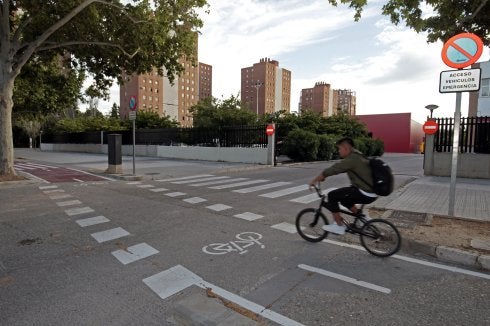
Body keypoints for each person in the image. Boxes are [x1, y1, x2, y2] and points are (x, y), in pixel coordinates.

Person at [309, 137, 377, 235]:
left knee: (332, 195)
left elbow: (335, 168)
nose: (339, 151)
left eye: (339, 148)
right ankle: (363, 219)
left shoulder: (352, 159)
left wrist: (315, 180)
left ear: (345, 148)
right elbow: (339, 169)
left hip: (365, 192)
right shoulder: (357, 155)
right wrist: (324, 176)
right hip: (370, 191)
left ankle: (338, 226)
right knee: (345, 200)